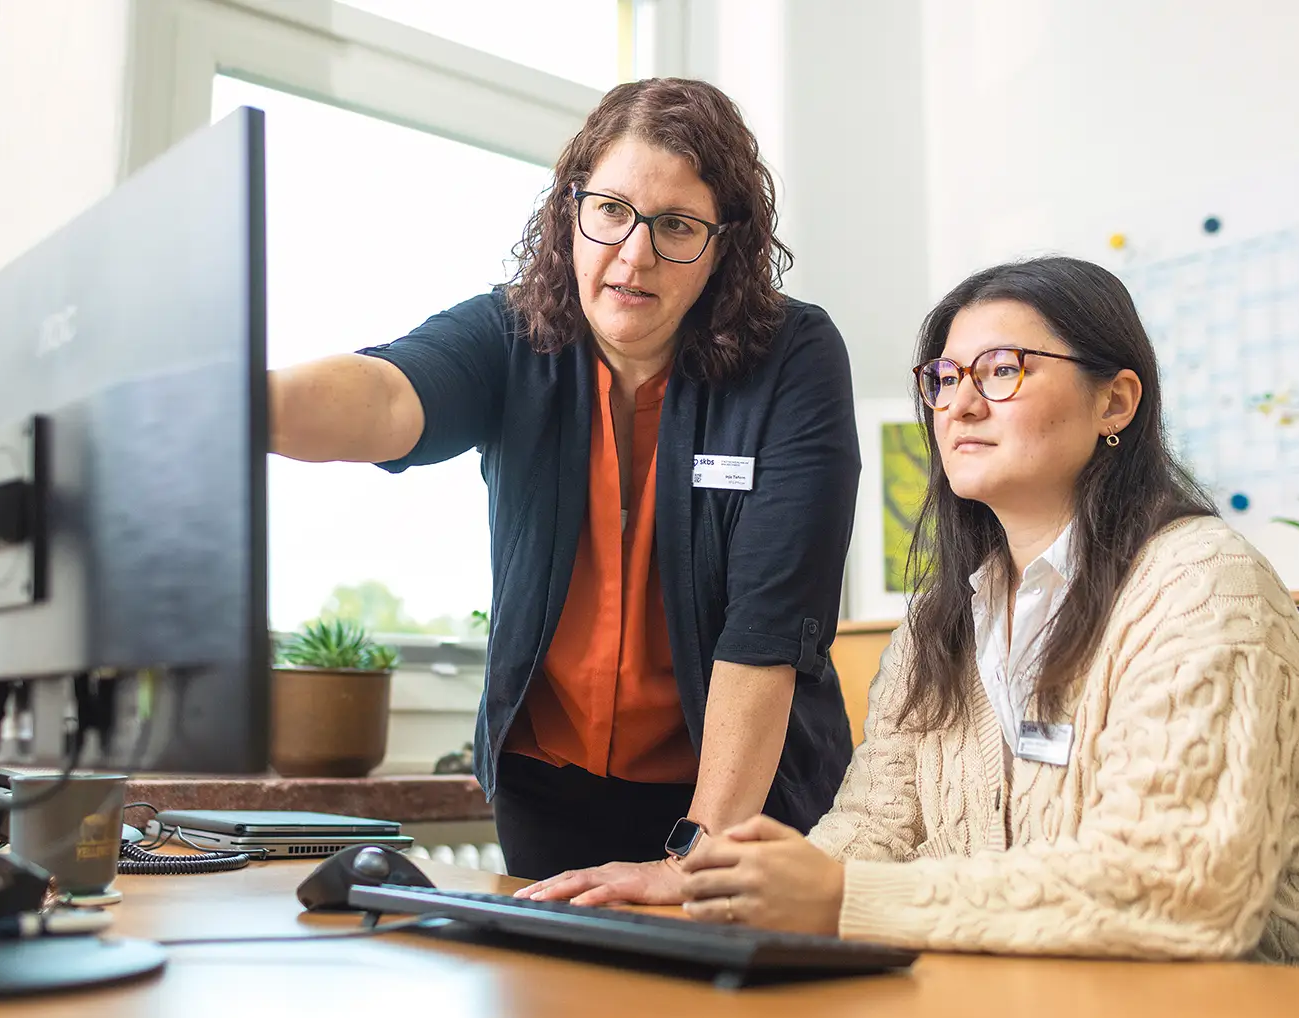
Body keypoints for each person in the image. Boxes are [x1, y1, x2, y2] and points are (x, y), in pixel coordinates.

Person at [677, 257, 1299, 969]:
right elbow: (872, 827)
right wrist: (710, 893)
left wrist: (846, 896)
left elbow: (1176, 889)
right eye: (944, 379)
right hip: (1020, 1011)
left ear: (1116, 402)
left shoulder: (1202, 583)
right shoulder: (934, 622)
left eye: (1002, 369)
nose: (960, 404)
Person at [268, 78, 859, 900]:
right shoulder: (513, 334)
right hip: (548, 790)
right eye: (611, 210)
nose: (634, 254)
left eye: (678, 226)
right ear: (570, 210)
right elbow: (392, 395)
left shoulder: (792, 359)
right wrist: (240, 404)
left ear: (723, 247)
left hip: (739, 803)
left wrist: (696, 867)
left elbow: (768, 627)